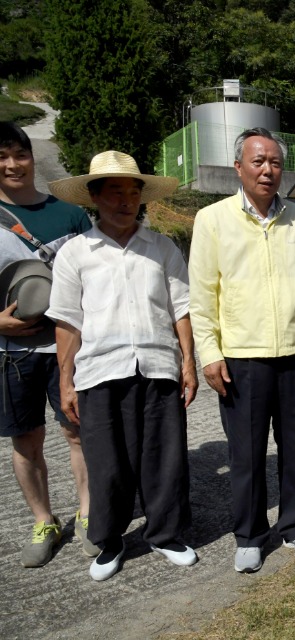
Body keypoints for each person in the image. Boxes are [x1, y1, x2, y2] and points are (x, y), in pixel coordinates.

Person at [46, 150, 197, 581]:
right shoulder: (76, 253)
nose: (125, 201)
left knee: (163, 456)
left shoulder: (161, 247)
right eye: (114, 192)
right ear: (93, 197)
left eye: (133, 192)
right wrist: (65, 381)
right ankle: (110, 541)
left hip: (157, 365)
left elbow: (180, 308)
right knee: (107, 461)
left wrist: (188, 361)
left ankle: (165, 534)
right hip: (97, 371)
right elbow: (67, 320)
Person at [189, 128, 295, 573]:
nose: (268, 169)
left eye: (274, 161)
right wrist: (209, 353)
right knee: (245, 453)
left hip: (292, 351)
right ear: (239, 167)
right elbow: (202, 296)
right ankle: (250, 534)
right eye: (258, 161)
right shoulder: (213, 220)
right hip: (240, 355)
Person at [0, 121, 92, 568]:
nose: (13, 165)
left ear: (32, 156)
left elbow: (91, 280)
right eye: (2, 157)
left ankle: (90, 513)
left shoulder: (70, 215)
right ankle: (43, 520)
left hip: (67, 347)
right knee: (25, 439)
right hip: (10, 352)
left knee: (77, 431)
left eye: (19, 154)